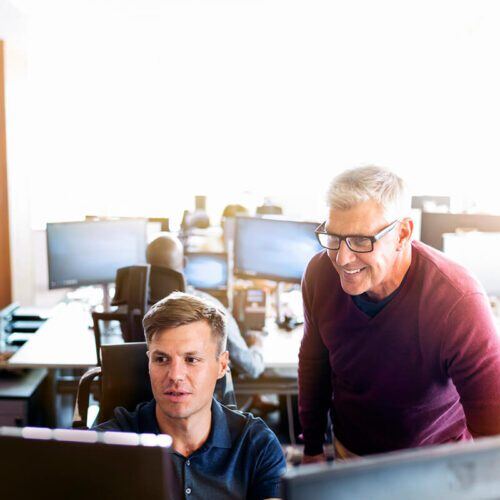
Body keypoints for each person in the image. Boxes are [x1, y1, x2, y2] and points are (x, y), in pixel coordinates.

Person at [299, 165, 500, 462]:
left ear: (403, 233)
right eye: (334, 237)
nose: (341, 258)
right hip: (350, 454)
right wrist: (313, 447)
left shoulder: (457, 301)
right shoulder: (320, 273)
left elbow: (492, 428)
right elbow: (314, 364)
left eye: (359, 241)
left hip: (431, 464)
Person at [96, 292, 286, 499]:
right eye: (161, 359)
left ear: (222, 366)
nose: (175, 376)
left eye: (192, 359)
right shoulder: (108, 445)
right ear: (149, 362)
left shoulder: (257, 445)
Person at [146, 232, 265, 379]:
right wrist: (257, 345)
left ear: (148, 267)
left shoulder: (130, 307)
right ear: (183, 263)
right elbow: (250, 367)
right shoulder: (211, 308)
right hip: (196, 397)